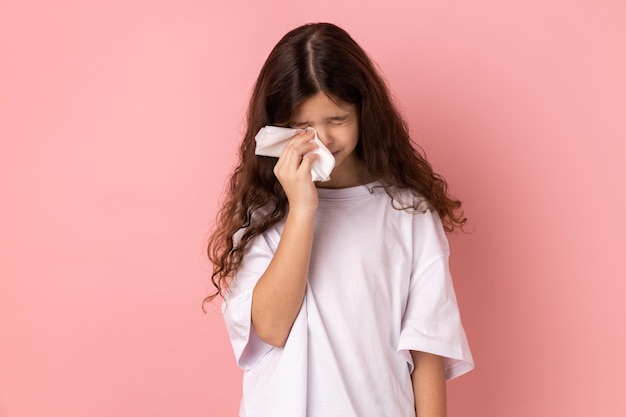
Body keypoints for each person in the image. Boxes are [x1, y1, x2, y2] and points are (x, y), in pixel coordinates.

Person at [205, 22, 474, 417]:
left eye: (337, 120)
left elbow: (428, 345)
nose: (323, 140)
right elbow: (271, 328)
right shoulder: (265, 214)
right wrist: (302, 209)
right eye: (302, 127)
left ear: (365, 113)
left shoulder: (407, 213)